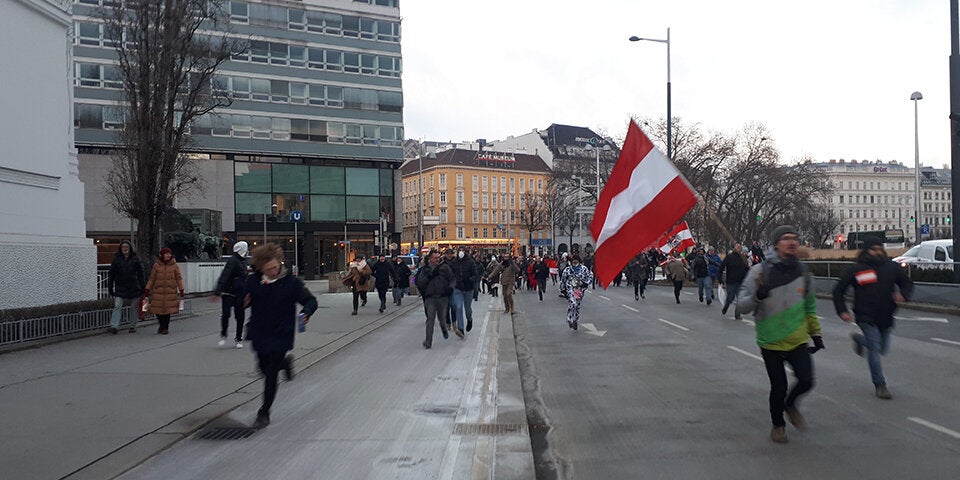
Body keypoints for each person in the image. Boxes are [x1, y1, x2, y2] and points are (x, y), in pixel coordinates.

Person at [738, 225, 823, 444]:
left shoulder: (803, 272)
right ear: (776, 244)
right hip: (771, 340)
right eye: (786, 238)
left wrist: (816, 334)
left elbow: (810, 306)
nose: (792, 242)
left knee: (806, 381)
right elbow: (740, 306)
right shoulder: (759, 272)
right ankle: (778, 425)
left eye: (795, 238)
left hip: (797, 339)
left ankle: (790, 404)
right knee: (779, 387)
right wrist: (758, 296)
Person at [242, 244, 317, 429]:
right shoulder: (252, 281)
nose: (274, 271)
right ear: (261, 268)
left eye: (275, 267)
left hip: (281, 332)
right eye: (269, 269)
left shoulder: (290, 282)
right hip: (260, 331)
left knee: (270, 374)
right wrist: (241, 302)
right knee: (262, 367)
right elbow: (241, 299)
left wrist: (306, 312)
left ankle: (264, 413)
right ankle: (286, 363)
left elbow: (310, 300)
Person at [832, 236, 913, 400]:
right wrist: (842, 310)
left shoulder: (892, 267)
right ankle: (880, 385)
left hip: (886, 315)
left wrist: (903, 294)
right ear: (866, 251)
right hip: (865, 315)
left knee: (882, 349)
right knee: (875, 350)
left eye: (879, 249)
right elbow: (838, 290)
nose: (877, 252)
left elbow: (907, 283)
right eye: (873, 249)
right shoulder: (856, 269)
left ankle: (859, 340)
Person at [212, 241, 249, 348]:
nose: (247, 252)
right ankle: (224, 335)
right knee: (226, 315)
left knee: (240, 316)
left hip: (240, 293)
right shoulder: (233, 261)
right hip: (228, 293)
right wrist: (217, 292)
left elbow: (244, 278)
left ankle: (238, 339)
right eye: (246, 249)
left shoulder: (242, 261)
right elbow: (225, 275)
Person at [415, 250, 454, 349]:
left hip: (443, 297)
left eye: (438, 257)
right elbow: (419, 282)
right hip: (430, 298)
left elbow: (452, 279)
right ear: (430, 259)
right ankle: (428, 342)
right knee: (430, 320)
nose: (437, 259)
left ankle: (444, 328)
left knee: (442, 319)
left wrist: (450, 288)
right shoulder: (425, 269)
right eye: (435, 258)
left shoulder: (444, 268)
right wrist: (428, 277)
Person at [106, 240, 145, 334]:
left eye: (126, 247)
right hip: (120, 287)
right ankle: (114, 326)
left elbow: (141, 273)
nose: (125, 249)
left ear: (130, 248)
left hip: (134, 287)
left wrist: (143, 287)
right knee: (117, 305)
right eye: (123, 247)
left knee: (133, 307)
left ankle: (133, 325)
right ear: (120, 248)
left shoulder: (136, 259)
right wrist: (110, 287)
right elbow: (111, 274)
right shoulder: (117, 259)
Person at [145, 247, 184, 335]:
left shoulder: (174, 265)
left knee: (167, 311)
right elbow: (152, 279)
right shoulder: (156, 265)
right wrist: (147, 289)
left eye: (169, 254)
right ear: (162, 255)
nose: (168, 255)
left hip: (170, 291)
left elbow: (179, 278)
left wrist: (181, 289)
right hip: (158, 291)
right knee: (158, 310)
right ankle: (161, 325)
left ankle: (165, 327)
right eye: (166, 254)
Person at [447, 248, 477, 336]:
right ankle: (460, 328)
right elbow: (451, 274)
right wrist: (453, 282)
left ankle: (469, 319)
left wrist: (470, 279)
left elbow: (475, 275)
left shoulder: (470, 262)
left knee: (467, 309)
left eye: (463, 250)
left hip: (468, 289)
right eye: (459, 250)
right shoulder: (454, 262)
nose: (461, 252)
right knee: (459, 306)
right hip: (458, 288)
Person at [560, 254, 593, 330]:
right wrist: (563, 289)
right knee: (573, 303)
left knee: (577, 305)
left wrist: (585, 283)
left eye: (576, 259)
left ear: (578, 260)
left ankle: (575, 320)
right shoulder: (568, 269)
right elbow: (563, 279)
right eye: (573, 260)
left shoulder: (584, 269)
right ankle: (570, 319)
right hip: (570, 288)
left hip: (579, 289)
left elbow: (590, 276)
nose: (574, 261)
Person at [718, 243, 750, 319]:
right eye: (737, 247)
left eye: (739, 247)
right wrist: (720, 278)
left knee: (740, 299)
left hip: (740, 282)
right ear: (734, 248)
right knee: (730, 297)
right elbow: (721, 267)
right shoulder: (729, 257)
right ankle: (726, 306)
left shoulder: (743, 258)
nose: (738, 248)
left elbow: (747, 269)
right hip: (731, 281)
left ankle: (737, 314)